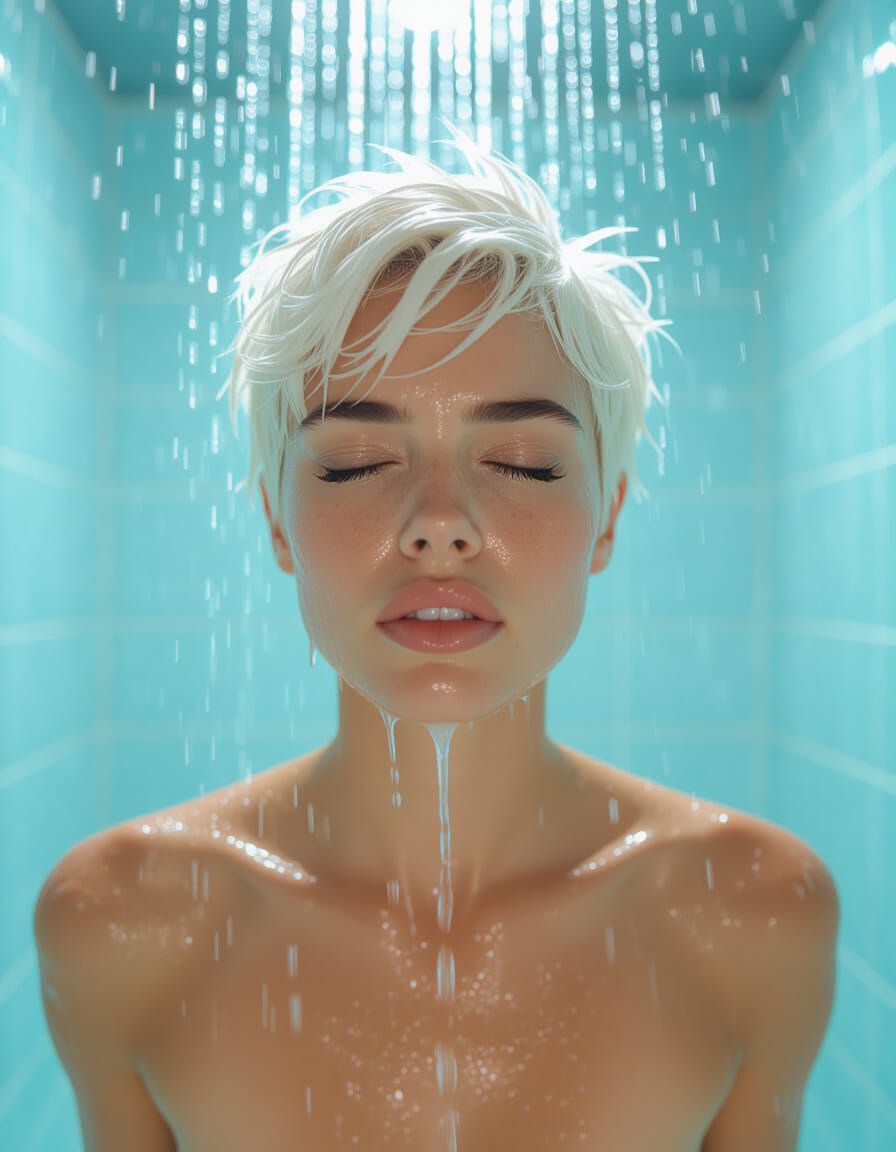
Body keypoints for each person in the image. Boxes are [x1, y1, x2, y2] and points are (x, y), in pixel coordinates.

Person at [34, 122, 839, 1151]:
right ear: (277, 523)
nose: (439, 519)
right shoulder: (121, 922)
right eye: (356, 461)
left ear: (607, 518)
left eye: (523, 462)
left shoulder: (752, 915)